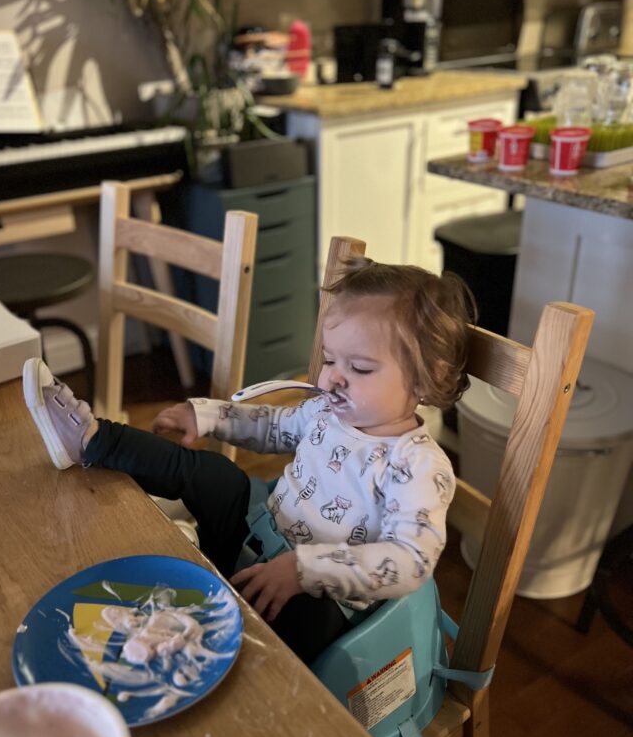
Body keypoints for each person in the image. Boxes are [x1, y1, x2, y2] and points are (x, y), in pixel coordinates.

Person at [23, 258, 474, 665]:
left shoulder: (418, 465)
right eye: (330, 359)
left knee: (307, 623)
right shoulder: (326, 410)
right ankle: (93, 440)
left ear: (425, 380)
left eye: (359, 368)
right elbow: (272, 427)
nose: (332, 378)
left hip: (317, 599)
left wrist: (304, 570)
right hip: (255, 540)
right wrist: (209, 416)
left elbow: (412, 559)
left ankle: (210, 639)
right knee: (218, 475)